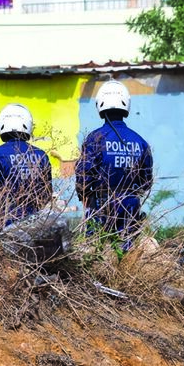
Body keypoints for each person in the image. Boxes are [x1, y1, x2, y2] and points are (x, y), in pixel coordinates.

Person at [76, 79, 153, 246]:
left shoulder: (94, 139)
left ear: (100, 105)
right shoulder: (140, 141)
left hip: (100, 204)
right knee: (127, 250)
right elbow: (146, 182)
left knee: (96, 251)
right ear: (126, 104)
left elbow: (83, 176)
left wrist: (85, 196)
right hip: (131, 204)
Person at [0, 103, 52, 225]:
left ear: (2, 124)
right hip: (35, 225)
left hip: (3, 224)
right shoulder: (41, 155)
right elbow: (47, 194)